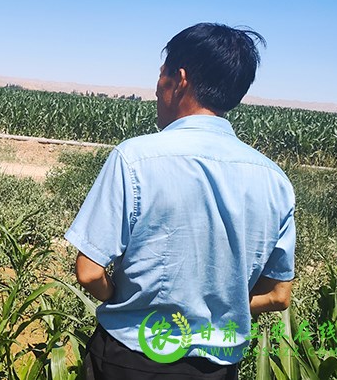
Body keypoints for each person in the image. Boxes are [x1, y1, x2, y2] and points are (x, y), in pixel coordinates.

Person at [66, 23, 295, 379]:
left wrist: (123, 299)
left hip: (131, 356)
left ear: (180, 79)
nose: (157, 90)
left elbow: (89, 271)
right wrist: (221, 303)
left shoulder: (135, 158)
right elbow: (279, 295)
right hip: (218, 367)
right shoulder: (275, 180)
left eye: (161, 76)